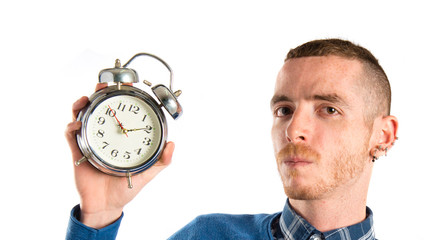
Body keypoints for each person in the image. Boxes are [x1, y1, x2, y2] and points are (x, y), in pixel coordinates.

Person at [65, 38, 398, 240]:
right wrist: (98, 216)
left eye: (328, 109)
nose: (294, 130)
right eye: (284, 109)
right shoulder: (208, 235)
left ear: (382, 135)